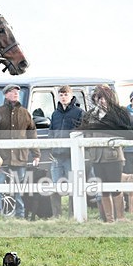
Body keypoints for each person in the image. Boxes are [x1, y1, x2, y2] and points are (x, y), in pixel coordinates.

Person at [0, 84, 40, 219]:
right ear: (5, 94)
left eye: (17, 92)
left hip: (20, 157)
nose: (15, 94)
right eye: (12, 92)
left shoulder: (25, 113)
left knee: (19, 188)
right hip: (1, 158)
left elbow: (32, 134)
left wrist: (36, 154)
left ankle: (20, 213)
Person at [86, 85, 126, 222]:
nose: (101, 101)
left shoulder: (117, 114)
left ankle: (120, 217)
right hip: (97, 158)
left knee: (116, 188)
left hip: (113, 157)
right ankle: (109, 219)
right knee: (103, 190)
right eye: (99, 98)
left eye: (104, 97)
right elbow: (88, 134)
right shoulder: (92, 114)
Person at [48, 85, 84, 217]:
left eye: (66, 94)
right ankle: (56, 215)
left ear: (71, 95)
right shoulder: (55, 114)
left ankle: (73, 213)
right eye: (61, 95)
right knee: (55, 186)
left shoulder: (79, 112)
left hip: (71, 156)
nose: (63, 97)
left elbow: (81, 132)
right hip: (57, 156)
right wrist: (51, 148)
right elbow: (51, 132)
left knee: (73, 186)